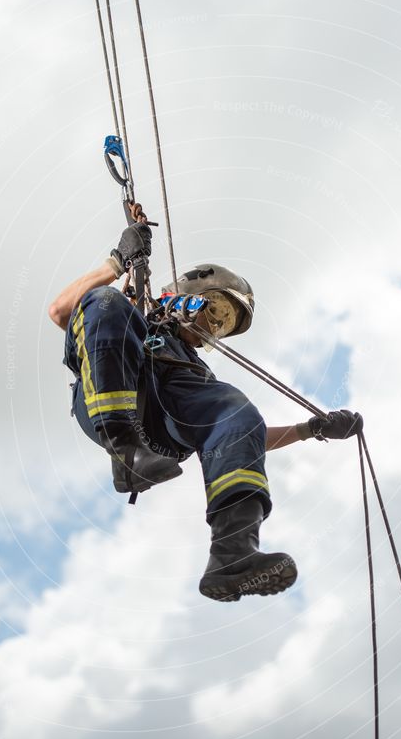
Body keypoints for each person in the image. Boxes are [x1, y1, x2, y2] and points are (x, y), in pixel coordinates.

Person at [49, 219, 362, 602]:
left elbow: (239, 437)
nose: (214, 326)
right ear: (189, 295)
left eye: (223, 325)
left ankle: (233, 553)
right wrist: (116, 264)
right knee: (107, 302)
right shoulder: (132, 314)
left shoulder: (194, 372)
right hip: (116, 395)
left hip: (163, 429)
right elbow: (62, 312)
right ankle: (124, 448)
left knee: (236, 410)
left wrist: (309, 428)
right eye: (214, 312)